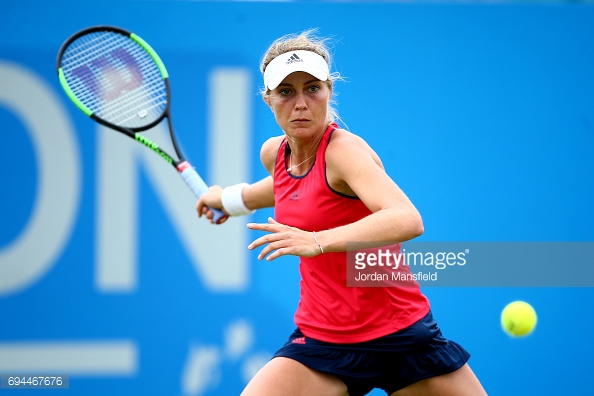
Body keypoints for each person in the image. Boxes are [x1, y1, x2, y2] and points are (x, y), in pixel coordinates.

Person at [196, 30, 487, 396]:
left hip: (399, 333)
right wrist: (227, 199)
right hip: (322, 340)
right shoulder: (275, 154)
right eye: (286, 92)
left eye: (311, 88)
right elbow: (282, 189)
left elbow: (406, 218)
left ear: (328, 91)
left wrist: (317, 241)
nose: (300, 103)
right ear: (268, 100)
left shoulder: (344, 153)